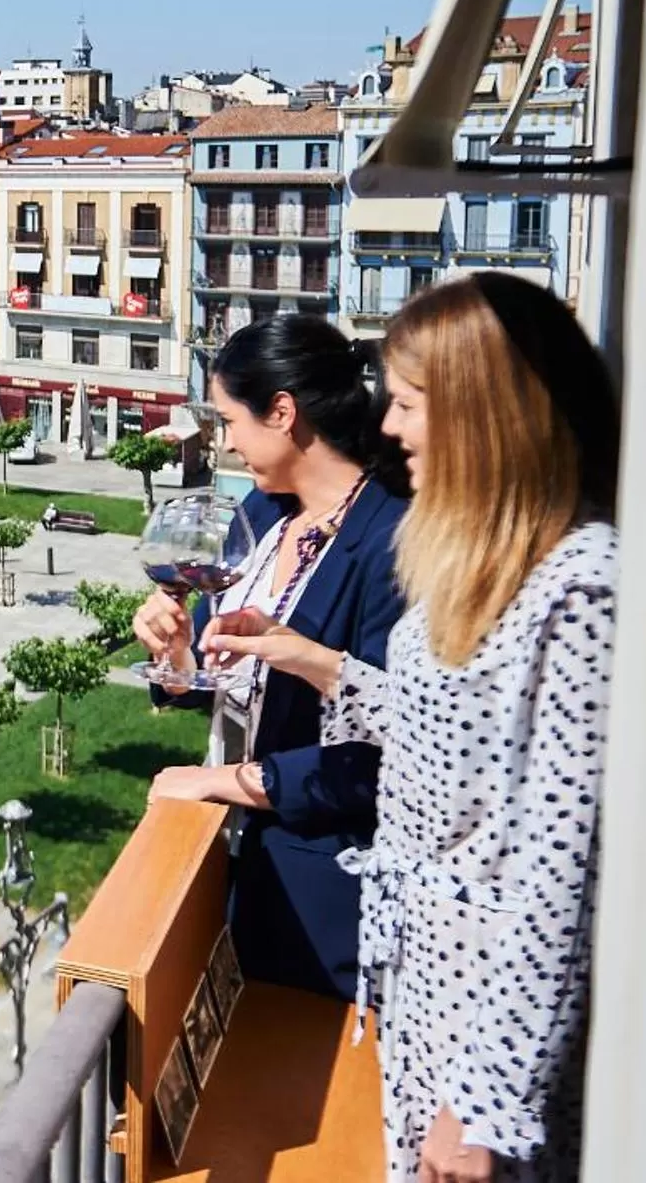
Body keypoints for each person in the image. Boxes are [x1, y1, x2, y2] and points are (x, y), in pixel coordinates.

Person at [209, 275, 620, 1183]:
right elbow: (438, 730)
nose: (388, 427)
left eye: (406, 402)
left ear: (483, 412)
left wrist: (485, 1105)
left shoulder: (582, 587)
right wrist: (302, 655)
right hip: (422, 988)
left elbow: (559, 874)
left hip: (484, 1020)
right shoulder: (493, 563)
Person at [135, 313, 410, 1001]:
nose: (226, 443)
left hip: (318, 904)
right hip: (232, 867)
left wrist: (224, 781)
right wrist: (174, 654)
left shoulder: (390, 543)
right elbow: (210, 673)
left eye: (231, 420)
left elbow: (388, 756)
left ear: (282, 412)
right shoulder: (260, 517)